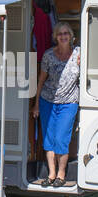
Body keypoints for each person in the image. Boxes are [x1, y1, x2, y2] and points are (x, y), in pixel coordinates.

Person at [30, 23, 80, 187]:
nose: (63, 36)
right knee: (49, 139)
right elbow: (41, 80)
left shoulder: (79, 54)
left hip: (69, 103)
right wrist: (36, 104)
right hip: (47, 101)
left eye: (66, 33)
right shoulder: (48, 55)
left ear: (71, 36)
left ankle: (61, 174)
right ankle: (51, 174)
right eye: (60, 34)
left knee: (61, 139)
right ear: (55, 37)